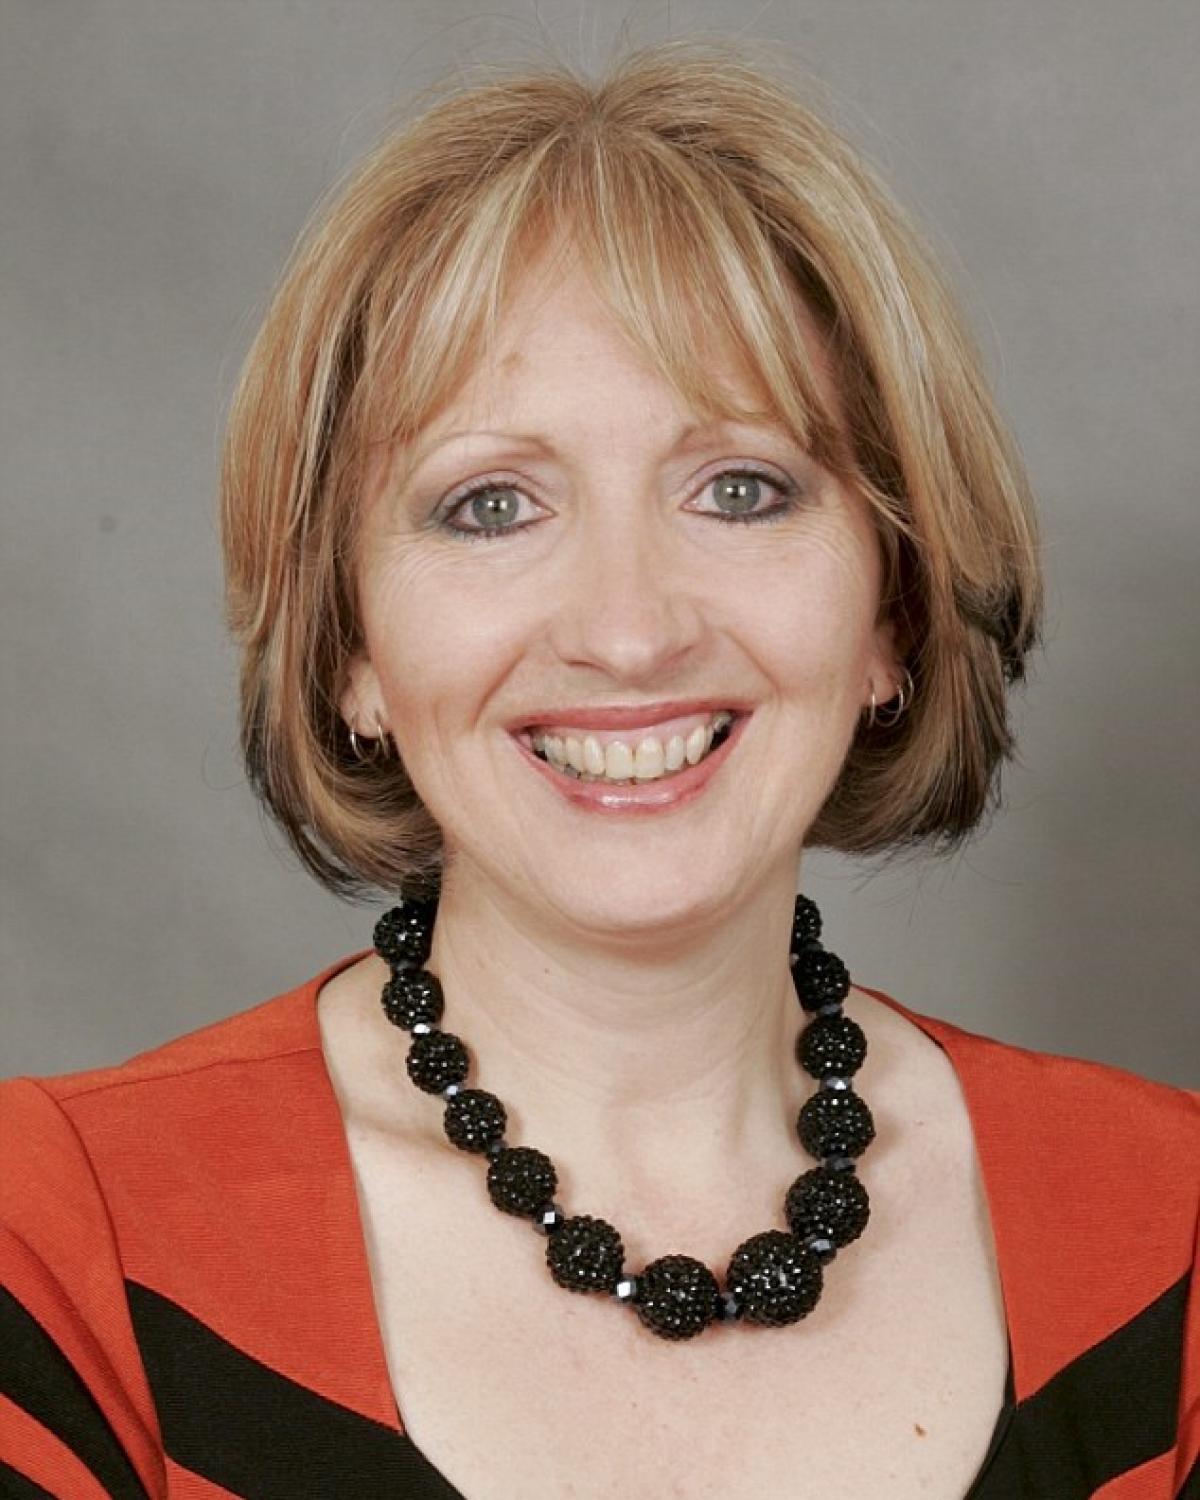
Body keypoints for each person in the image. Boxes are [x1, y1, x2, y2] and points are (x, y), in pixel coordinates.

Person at [2, 39, 1196, 1500]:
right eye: (491, 506)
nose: (629, 632)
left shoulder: (1174, 1239)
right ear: (350, 645)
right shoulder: (65, 1251)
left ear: (893, 608)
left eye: (741, 489)